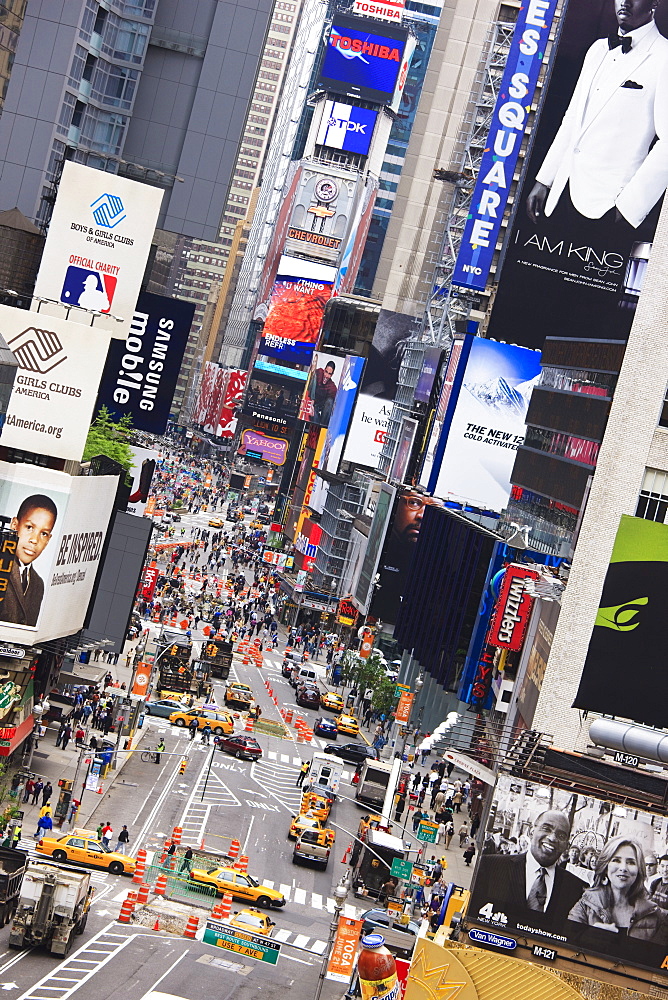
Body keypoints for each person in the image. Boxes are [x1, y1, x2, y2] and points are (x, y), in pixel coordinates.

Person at [526, 0, 668, 238]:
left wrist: (630, 207)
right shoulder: (598, 50)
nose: (625, 1)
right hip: (561, 192)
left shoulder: (664, 57)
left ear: (654, 2)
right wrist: (545, 179)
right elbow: (572, 119)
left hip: (609, 206)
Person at [472, 810, 588, 924]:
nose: (552, 838)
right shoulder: (491, 866)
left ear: (566, 846)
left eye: (561, 835)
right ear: (531, 832)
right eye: (546, 829)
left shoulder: (575, 888)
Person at [568, 837, 668, 943]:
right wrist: (588, 937)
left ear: (639, 871)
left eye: (631, 862)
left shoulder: (654, 915)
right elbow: (565, 943)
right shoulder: (585, 905)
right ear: (605, 867)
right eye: (616, 860)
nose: (623, 868)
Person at [0, 494, 58, 626]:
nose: (34, 540)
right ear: (15, 525)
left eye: (43, 534)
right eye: (29, 527)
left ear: (48, 539)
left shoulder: (38, 584)